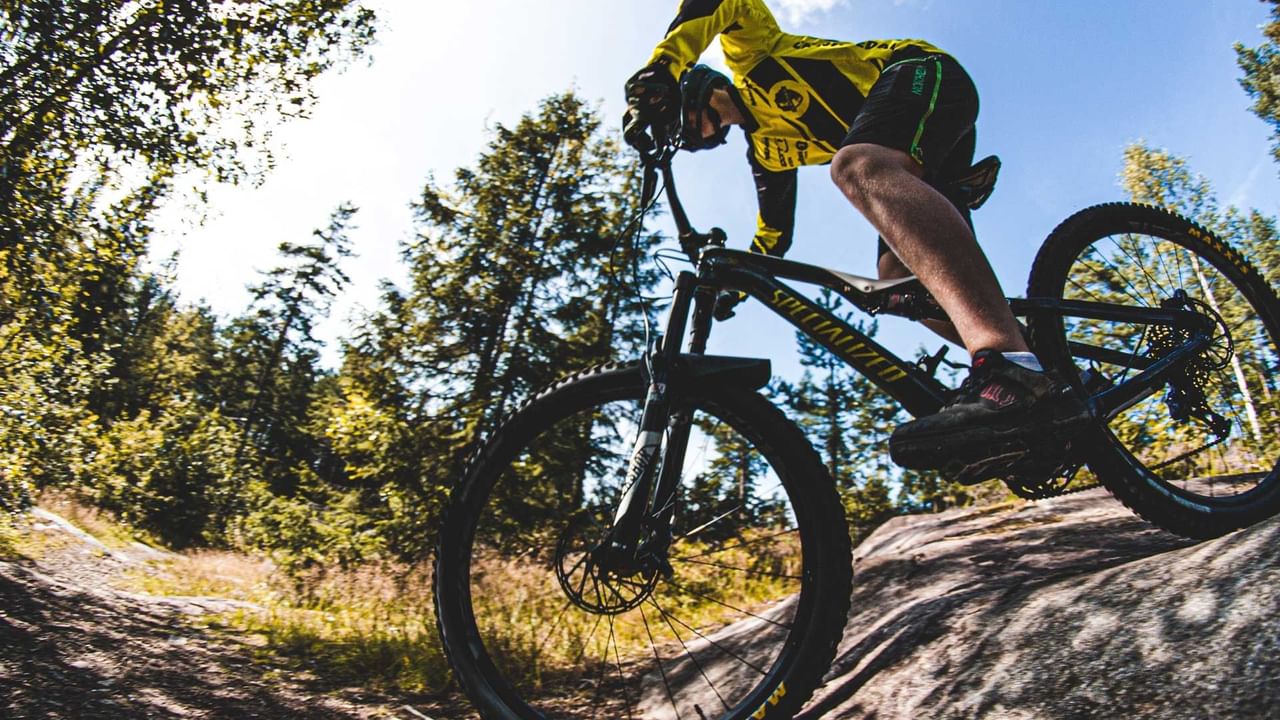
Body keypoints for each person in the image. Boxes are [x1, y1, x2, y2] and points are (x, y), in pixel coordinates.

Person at [624, 0, 1088, 482]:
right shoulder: (767, 153)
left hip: (920, 73)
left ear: (693, 89)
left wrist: (663, 66)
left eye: (683, 123)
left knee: (855, 166)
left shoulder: (752, 54)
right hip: (915, 148)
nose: (691, 136)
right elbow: (773, 236)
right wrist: (733, 290)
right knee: (898, 279)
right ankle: (1047, 365)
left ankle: (1009, 364)